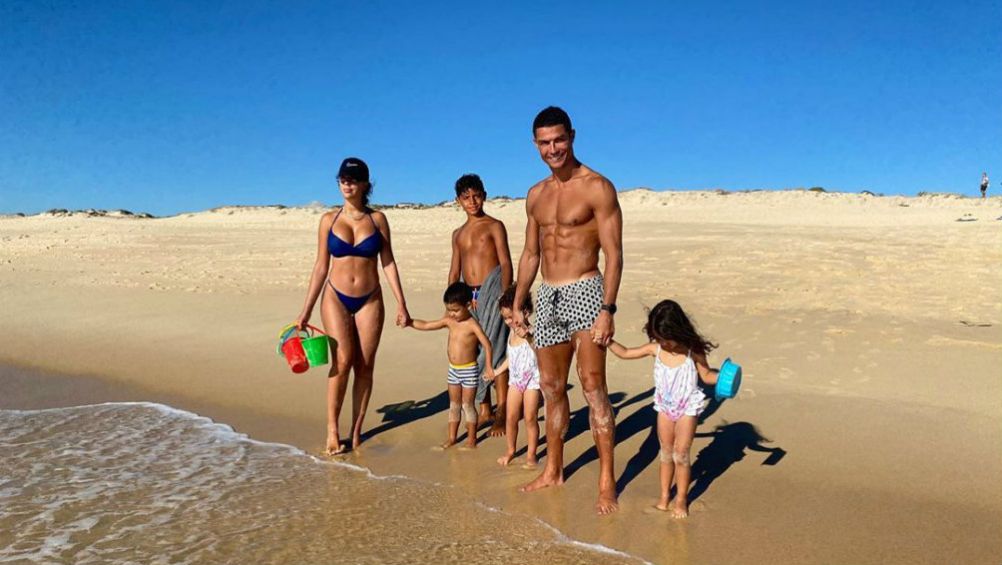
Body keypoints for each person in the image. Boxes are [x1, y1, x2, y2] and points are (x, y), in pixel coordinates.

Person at [512, 106, 624, 515]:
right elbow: (529, 253)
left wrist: (607, 309)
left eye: (559, 140)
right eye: (544, 142)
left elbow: (614, 255)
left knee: (593, 387)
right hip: (547, 296)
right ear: (535, 144)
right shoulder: (536, 195)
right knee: (551, 386)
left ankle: (607, 481)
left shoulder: (597, 187)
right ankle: (553, 470)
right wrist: (520, 299)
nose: (553, 149)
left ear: (572, 136)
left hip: (587, 291)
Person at [295, 157, 410, 455]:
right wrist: (306, 310)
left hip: (370, 297)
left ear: (365, 185)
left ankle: (356, 431)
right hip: (335, 296)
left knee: (365, 365)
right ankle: (332, 431)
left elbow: (388, 262)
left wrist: (401, 303)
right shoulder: (328, 220)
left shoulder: (378, 220)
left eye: (353, 179)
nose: (346, 183)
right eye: (343, 179)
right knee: (342, 361)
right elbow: (321, 266)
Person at [608, 300, 721, 519]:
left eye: (665, 339)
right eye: (657, 338)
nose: (662, 343)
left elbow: (706, 375)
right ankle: (663, 497)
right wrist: (607, 341)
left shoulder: (692, 351)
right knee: (666, 452)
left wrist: (725, 379)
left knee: (681, 454)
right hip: (664, 408)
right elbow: (625, 353)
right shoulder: (655, 349)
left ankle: (680, 500)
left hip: (687, 407)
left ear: (677, 331)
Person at [448, 173, 513, 436]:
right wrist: (451, 305)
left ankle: (503, 411)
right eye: (466, 198)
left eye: (476, 196)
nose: (472, 202)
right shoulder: (458, 233)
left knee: (496, 351)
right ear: (459, 201)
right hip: (467, 296)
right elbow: (454, 271)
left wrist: (506, 296)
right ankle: (484, 408)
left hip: (492, 291)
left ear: (484, 195)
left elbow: (506, 262)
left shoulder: (494, 225)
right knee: (475, 352)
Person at [407, 282, 496, 449]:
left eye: (456, 310)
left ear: (468, 305)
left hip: (469, 369)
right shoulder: (449, 321)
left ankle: (471, 439)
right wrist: (410, 322)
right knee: (454, 405)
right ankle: (452, 437)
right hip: (453, 370)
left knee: (467, 405)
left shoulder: (472, 324)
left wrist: (489, 367)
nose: (452, 314)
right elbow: (427, 325)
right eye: (449, 310)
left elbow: (487, 344)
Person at [492, 286, 542, 468]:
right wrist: (497, 372)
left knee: (530, 418)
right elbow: (510, 358)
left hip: (532, 381)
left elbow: (539, 351)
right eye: (504, 318)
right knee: (510, 417)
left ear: (525, 312)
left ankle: (531, 454)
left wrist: (528, 337)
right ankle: (511, 450)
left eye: (510, 318)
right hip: (515, 381)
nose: (507, 322)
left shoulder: (533, 331)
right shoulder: (511, 333)